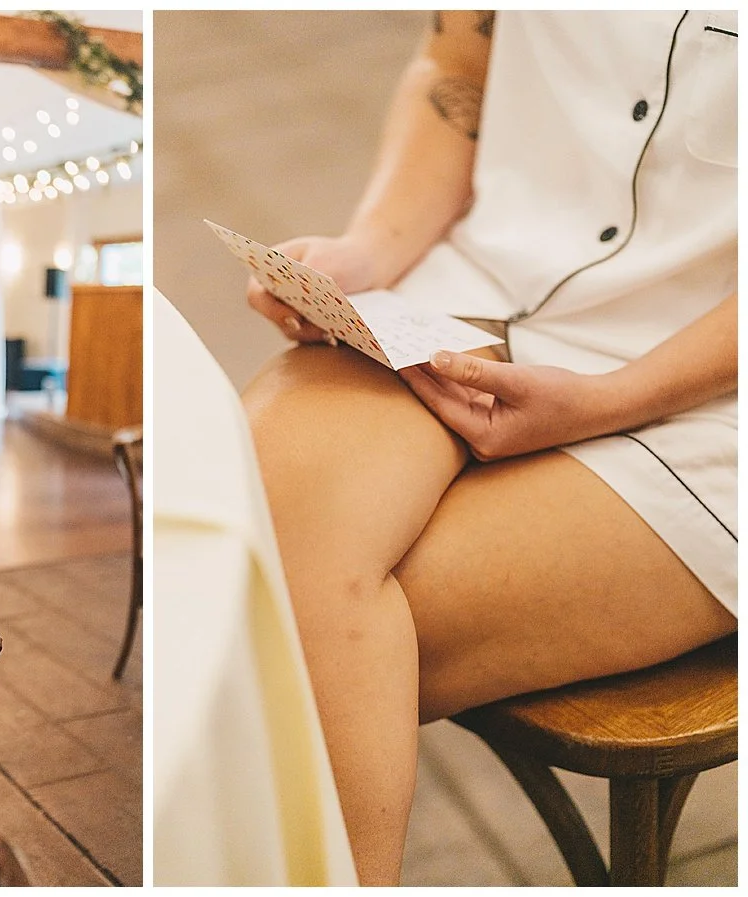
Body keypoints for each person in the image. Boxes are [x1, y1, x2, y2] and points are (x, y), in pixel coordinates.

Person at [241, 10, 736, 886]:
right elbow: (455, 56)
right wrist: (372, 251)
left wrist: (617, 399)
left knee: (282, 654)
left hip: (714, 398)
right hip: (478, 287)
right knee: (243, 577)